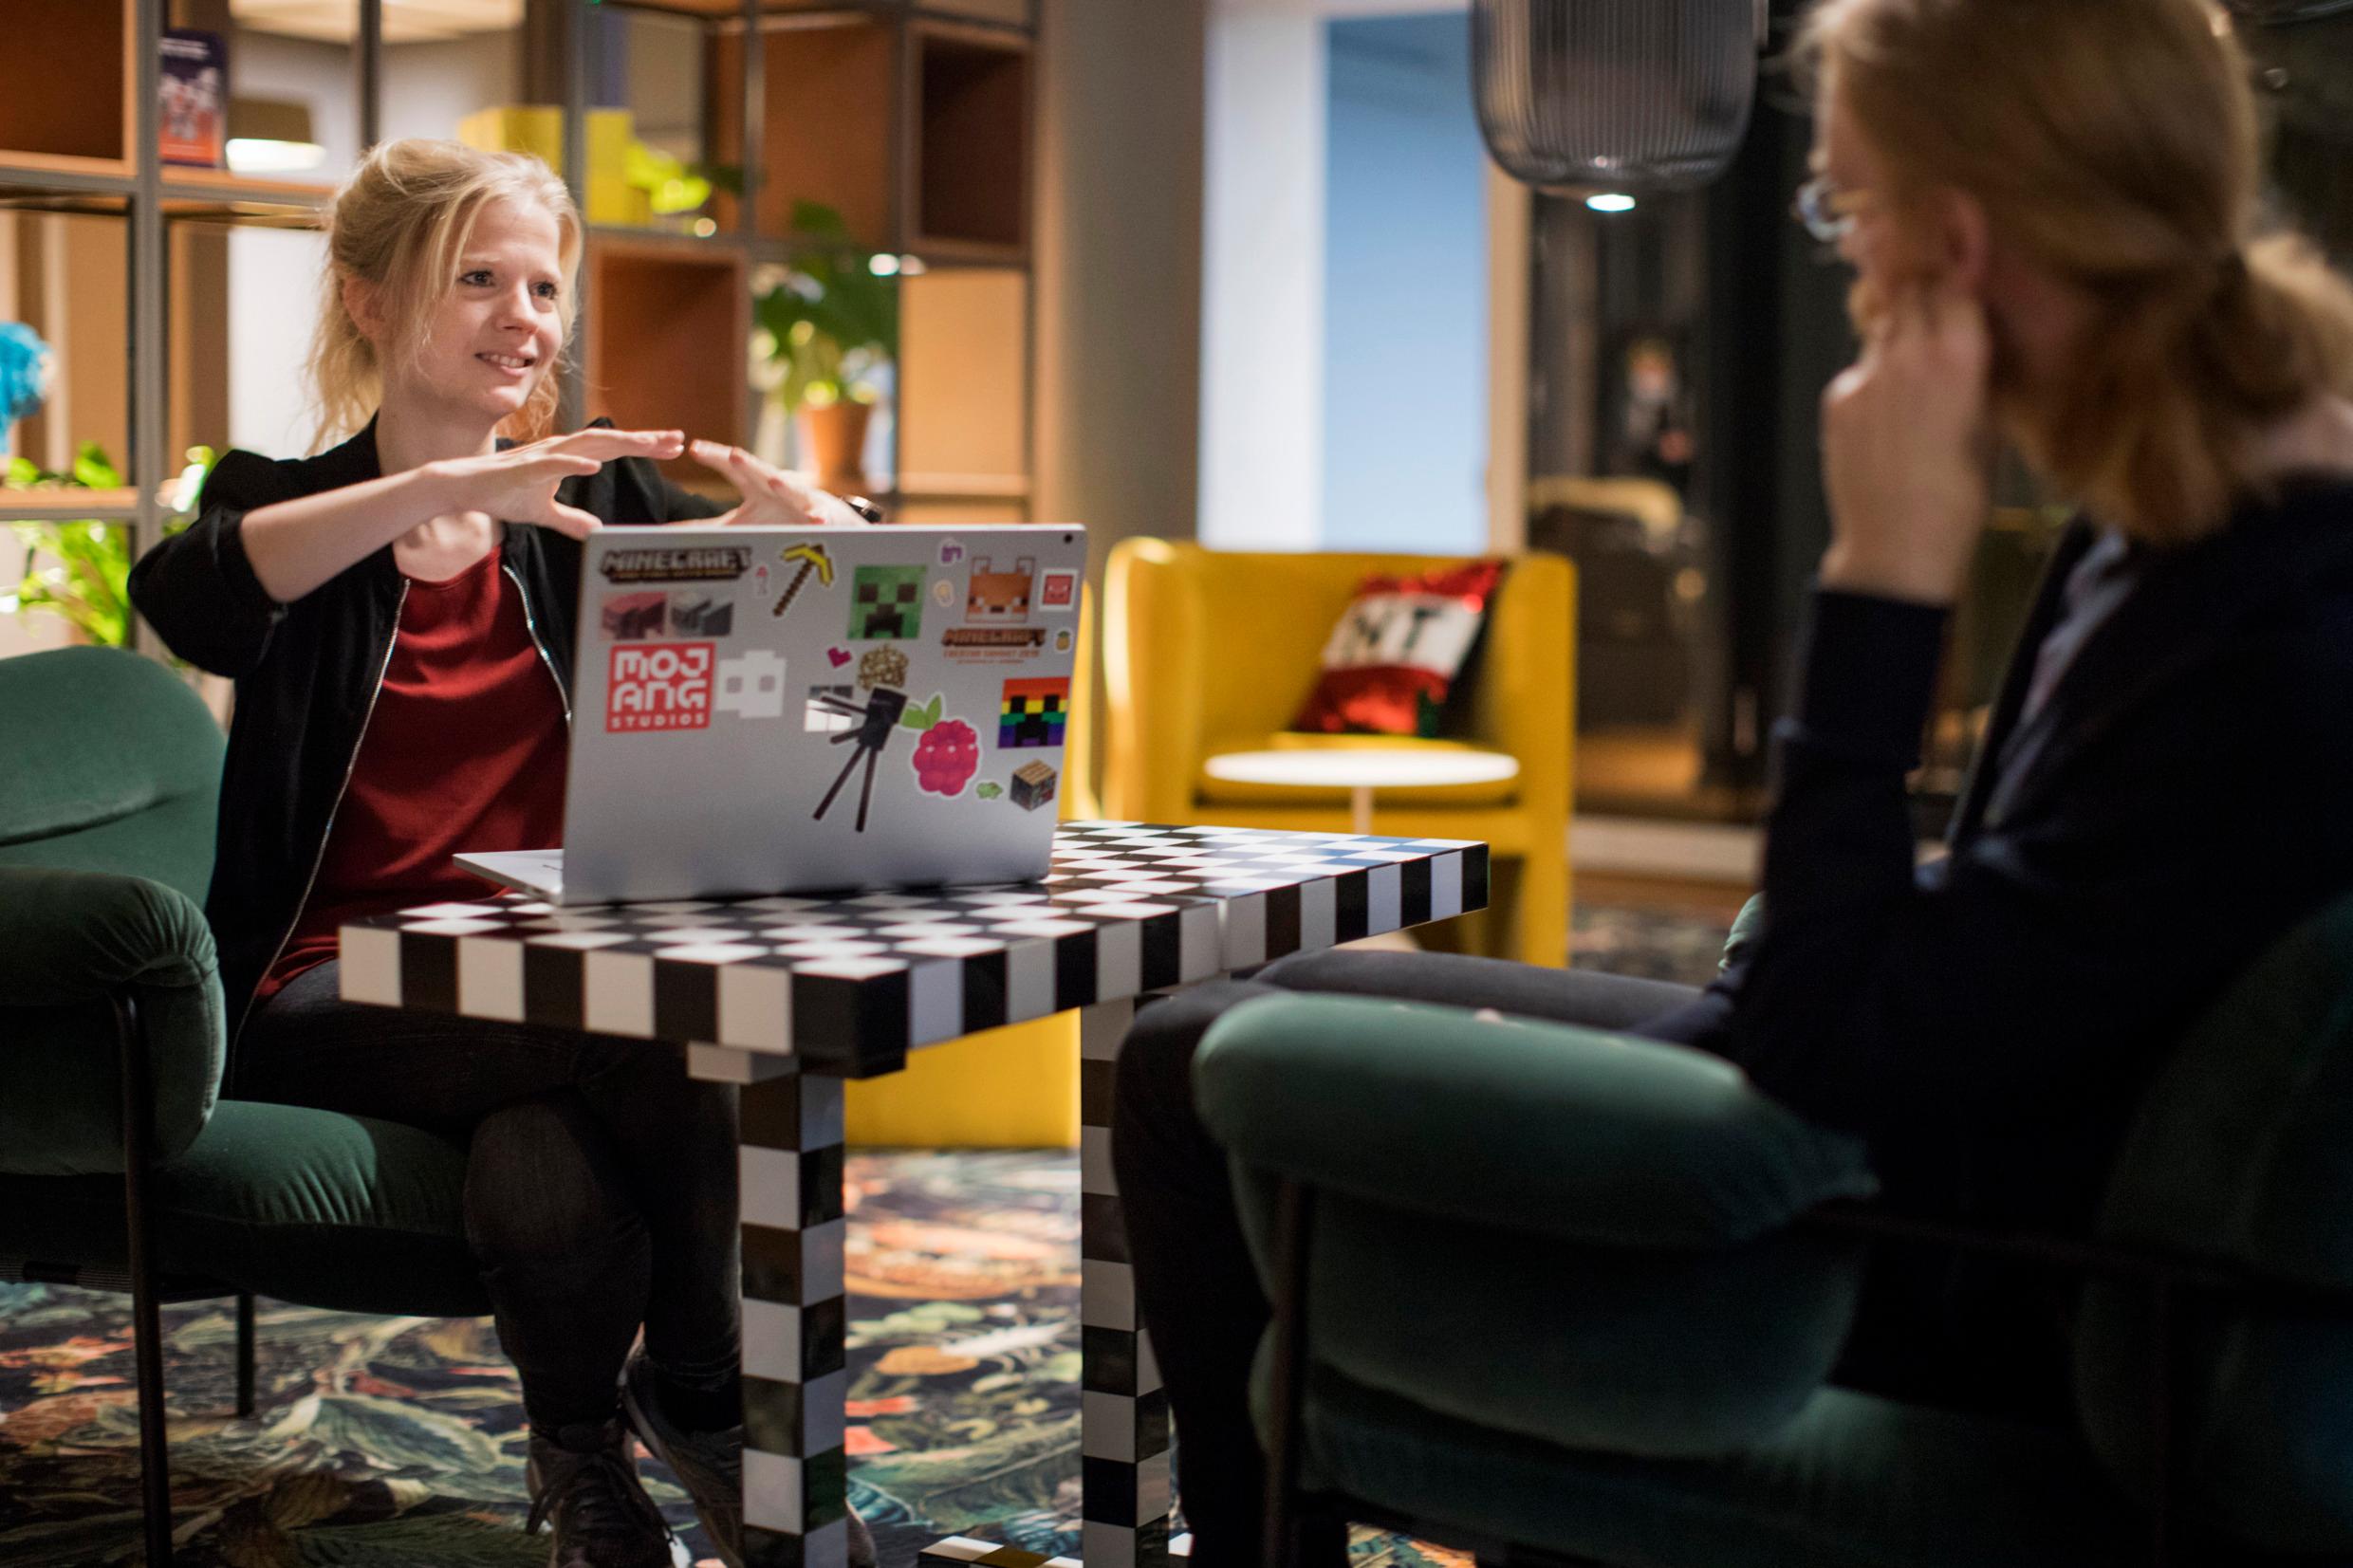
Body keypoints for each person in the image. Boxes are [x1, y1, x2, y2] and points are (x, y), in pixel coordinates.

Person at [1111, 0, 2353, 1558]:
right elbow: (2023, 934)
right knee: (1278, 989)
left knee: (1185, 1054)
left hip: (1894, 1250)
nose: (1843, 258)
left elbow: (1827, 1045)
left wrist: (1884, 574)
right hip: (1918, 1134)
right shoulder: (2235, 504)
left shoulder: (2246, 633)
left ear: (1957, 244)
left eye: (1849, 208)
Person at [128, 139, 870, 1568]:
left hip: (538, 982)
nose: (524, 314)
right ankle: (711, 1398)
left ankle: (583, 1457)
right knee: (650, 1020)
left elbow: (787, 657)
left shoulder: (586, 513)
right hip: (325, 990)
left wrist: (811, 544)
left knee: (545, 1165)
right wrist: (445, 489)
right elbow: (191, 596)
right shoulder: (288, 496)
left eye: (543, 284)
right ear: (365, 297)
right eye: (478, 277)